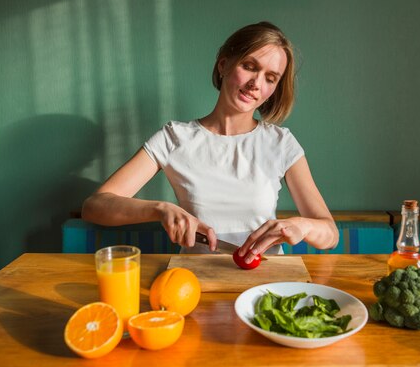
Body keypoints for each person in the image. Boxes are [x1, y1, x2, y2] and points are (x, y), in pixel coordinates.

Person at [82, 21, 338, 264]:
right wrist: (159, 209)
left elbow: (330, 234)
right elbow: (95, 206)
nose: (256, 84)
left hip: (267, 284)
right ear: (223, 64)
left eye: (270, 78)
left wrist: (302, 225)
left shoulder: (281, 143)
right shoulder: (174, 138)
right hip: (194, 283)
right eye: (249, 66)